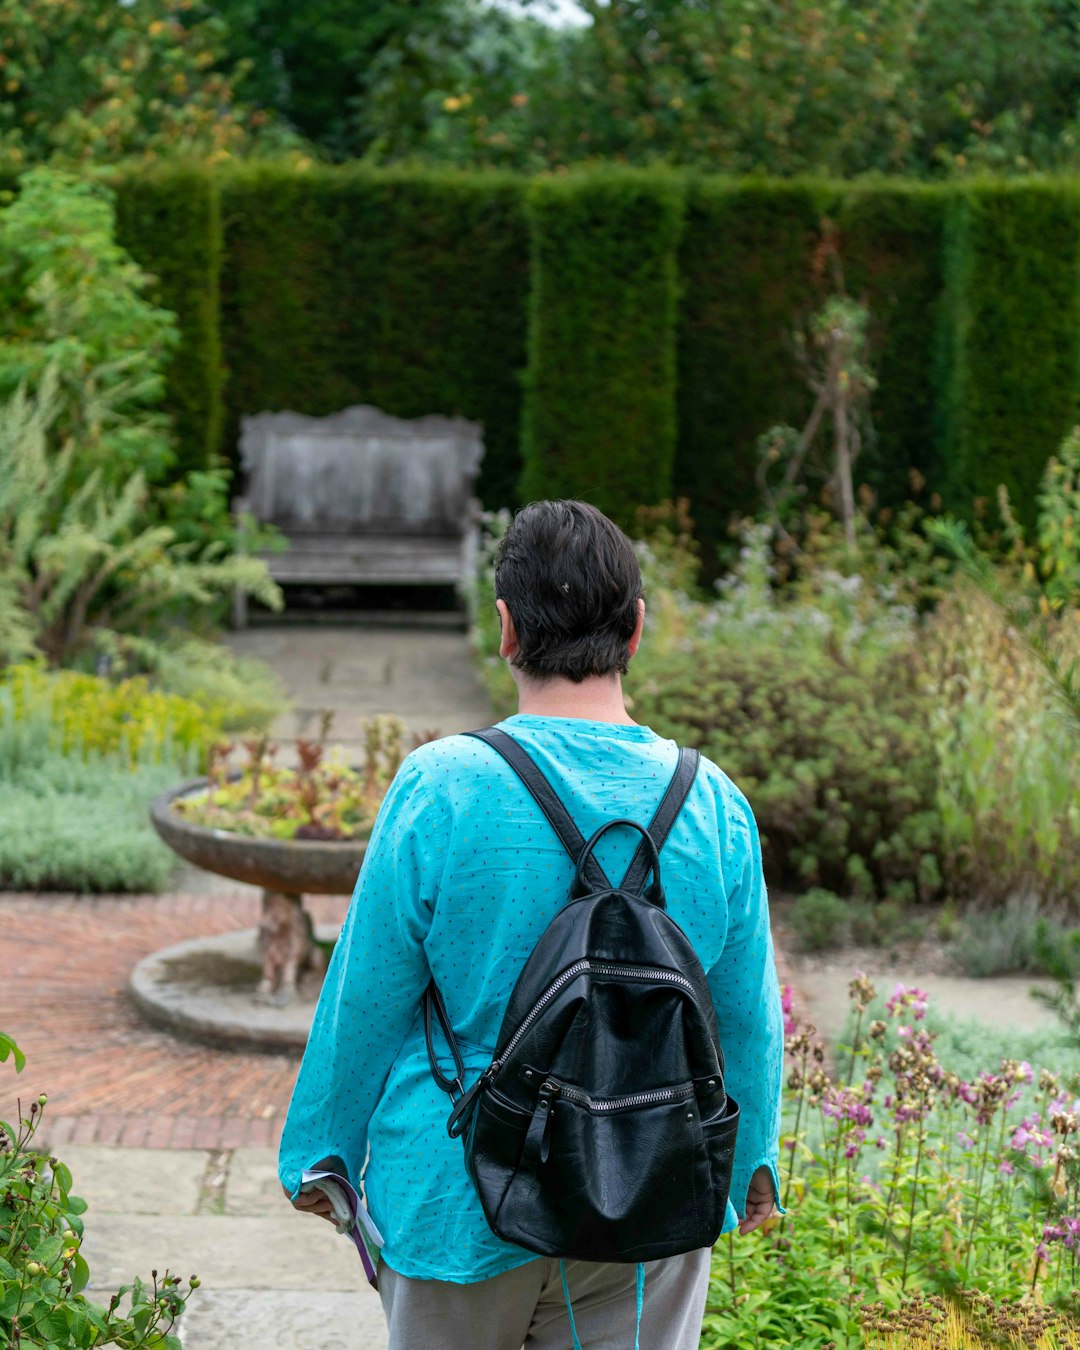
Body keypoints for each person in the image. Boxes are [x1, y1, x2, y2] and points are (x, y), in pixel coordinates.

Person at [279, 499, 784, 1350]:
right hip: (651, 1190)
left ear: (506, 628)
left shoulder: (444, 786)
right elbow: (746, 1016)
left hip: (457, 1190)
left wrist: (323, 1151)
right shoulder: (715, 805)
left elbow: (367, 992)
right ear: (636, 629)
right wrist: (753, 1162)